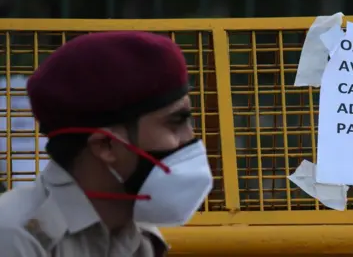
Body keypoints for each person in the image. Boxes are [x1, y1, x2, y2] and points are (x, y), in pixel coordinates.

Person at [0, 31, 214, 256]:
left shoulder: (136, 234)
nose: (190, 138)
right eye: (175, 123)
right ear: (106, 146)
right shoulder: (15, 238)